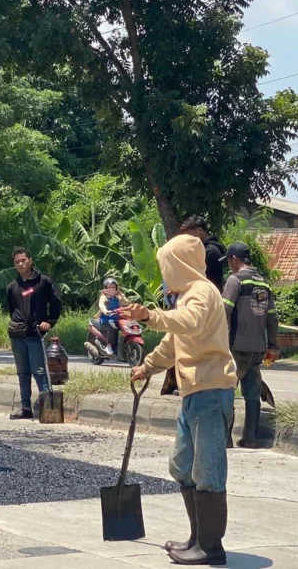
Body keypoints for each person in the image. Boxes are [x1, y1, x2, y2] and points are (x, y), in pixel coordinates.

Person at [121, 234, 237, 566]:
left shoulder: (202, 293)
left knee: (207, 469)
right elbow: (175, 343)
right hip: (193, 392)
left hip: (211, 391)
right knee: (182, 465)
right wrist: (147, 366)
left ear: (179, 265)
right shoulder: (186, 297)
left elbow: (189, 323)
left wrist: (150, 316)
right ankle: (198, 538)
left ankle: (211, 547)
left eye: (166, 266)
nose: (164, 273)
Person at [220, 242, 279, 449]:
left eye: (228, 261)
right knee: (252, 394)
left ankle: (225, 437)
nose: (229, 265)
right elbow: (272, 317)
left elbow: (223, 312)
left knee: (226, 389)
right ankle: (250, 438)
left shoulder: (235, 280)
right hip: (258, 348)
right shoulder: (264, 283)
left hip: (236, 346)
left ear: (235, 259)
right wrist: (272, 345)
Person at [4, 248, 62, 420]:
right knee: (23, 372)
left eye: (23, 260)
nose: (21, 264)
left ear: (30, 260)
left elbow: (56, 303)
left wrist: (49, 321)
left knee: (39, 371)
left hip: (36, 333)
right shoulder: (12, 287)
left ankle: (47, 408)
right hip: (18, 335)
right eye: (17, 262)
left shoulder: (43, 282)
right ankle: (25, 408)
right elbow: (12, 309)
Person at [179, 216, 226, 291]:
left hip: (209, 296)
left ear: (199, 231)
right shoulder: (203, 249)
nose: (186, 239)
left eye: (188, 235)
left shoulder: (210, 251)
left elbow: (198, 276)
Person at [98, 277, 123, 354]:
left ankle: (122, 346)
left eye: (113, 287)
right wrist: (105, 311)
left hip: (117, 319)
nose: (112, 289)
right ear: (106, 288)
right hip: (106, 320)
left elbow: (126, 303)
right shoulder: (103, 297)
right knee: (112, 325)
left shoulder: (118, 298)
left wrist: (121, 293)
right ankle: (108, 346)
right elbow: (101, 305)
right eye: (109, 287)